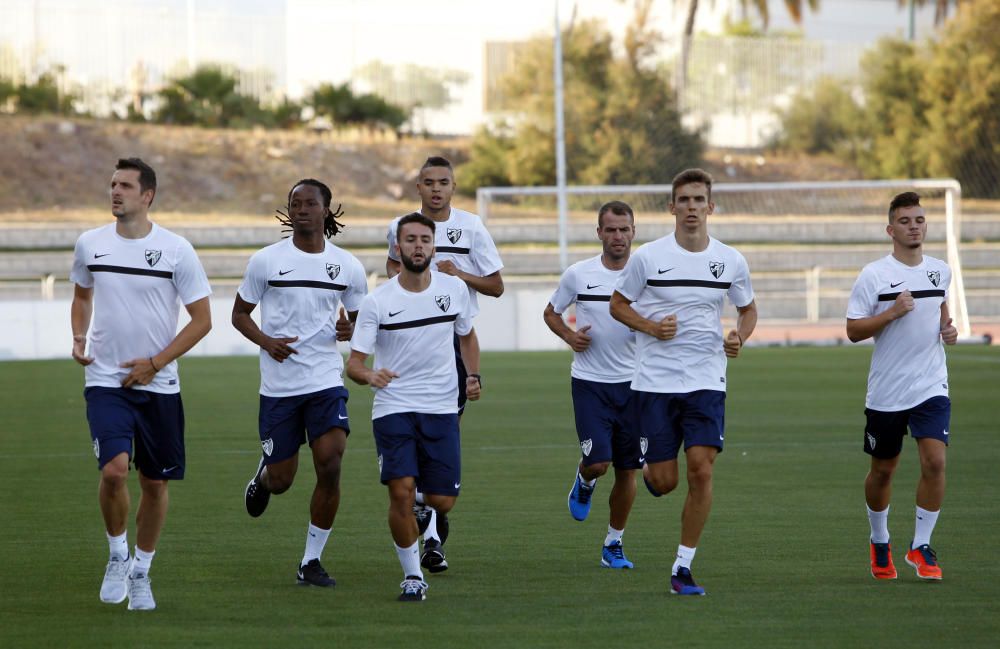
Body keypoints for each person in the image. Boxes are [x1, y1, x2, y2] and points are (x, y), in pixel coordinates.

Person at [70, 157, 212, 611]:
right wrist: (78, 335)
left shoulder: (177, 249)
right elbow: (81, 293)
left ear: (147, 195)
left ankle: (141, 570)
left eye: (125, 186)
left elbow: (203, 321)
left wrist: (155, 363)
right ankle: (116, 555)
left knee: (155, 483)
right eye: (112, 184)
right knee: (113, 470)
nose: (115, 192)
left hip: (159, 383)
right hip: (105, 379)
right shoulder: (90, 244)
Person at [609, 168, 756, 596]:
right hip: (654, 383)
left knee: (701, 470)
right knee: (664, 480)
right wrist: (651, 328)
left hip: (707, 379)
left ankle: (683, 568)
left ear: (710, 207)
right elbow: (618, 306)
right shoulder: (648, 257)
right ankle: (650, 473)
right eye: (684, 200)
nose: (692, 208)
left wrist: (738, 336)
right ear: (671, 207)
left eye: (699, 200)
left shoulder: (730, 260)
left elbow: (748, 310)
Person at [235, 179, 368, 587]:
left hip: (325, 379)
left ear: (327, 210)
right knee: (282, 481)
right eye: (295, 203)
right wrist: (266, 341)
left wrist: (350, 330)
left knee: (331, 462)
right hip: (279, 387)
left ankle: (311, 560)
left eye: (311, 203)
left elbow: (362, 319)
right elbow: (240, 315)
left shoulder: (347, 265)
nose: (302, 209)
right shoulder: (265, 261)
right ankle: (263, 475)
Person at [347, 212, 482, 601]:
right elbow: (353, 364)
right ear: (398, 247)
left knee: (442, 500)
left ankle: (425, 506)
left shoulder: (453, 290)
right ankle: (412, 576)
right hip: (393, 406)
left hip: (441, 407)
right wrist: (370, 376)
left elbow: (467, 337)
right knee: (400, 491)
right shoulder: (378, 302)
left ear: (433, 246)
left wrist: (472, 375)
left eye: (425, 239)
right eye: (410, 240)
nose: (418, 246)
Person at [384, 156, 503, 571]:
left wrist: (460, 275)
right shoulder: (401, 225)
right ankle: (431, 534)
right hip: (407, 343)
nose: (436, 189)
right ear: (418, 187)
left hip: (453, 342)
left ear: (454, 188)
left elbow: (497, 285)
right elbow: (391, 271)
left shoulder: (471, 227)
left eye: (444, 183)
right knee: (413, 433)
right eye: (429, 182)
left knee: (442, 433)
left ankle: (430, 522)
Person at [846, 191, 957, 582]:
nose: (915, 226)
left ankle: (920, 545)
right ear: (891, 229)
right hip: (888, 391)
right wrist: (892, 311)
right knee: (883, 471)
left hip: (931, 384)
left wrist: (948, 328)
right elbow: (853, 330)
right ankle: (880, 541)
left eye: (920, 220)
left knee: (935, 461)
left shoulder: (940, 270)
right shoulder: (874, 275)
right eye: (906, 221)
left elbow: (941, 308)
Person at [543, 200, 639, 569]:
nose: (618, 236)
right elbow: (550, 313)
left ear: (634, 231)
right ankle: (584, 480)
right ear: (599, 233)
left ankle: (613, 543)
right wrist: (570, 336)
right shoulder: (579, 274)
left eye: (624, 229)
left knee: (628, 469)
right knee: (599, 462)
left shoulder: (646, 274)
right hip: (590, 383)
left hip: (636, 386)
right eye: (610, 229)